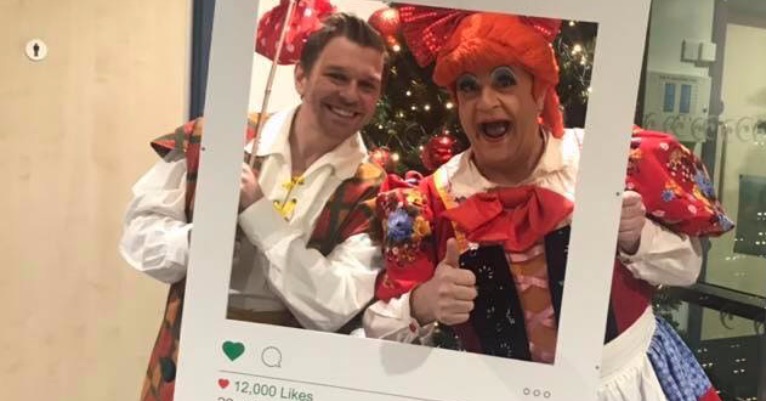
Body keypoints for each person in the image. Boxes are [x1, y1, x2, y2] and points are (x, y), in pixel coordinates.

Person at [362, 6, 734, 401]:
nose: (486, 102)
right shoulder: (429, 201)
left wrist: (636, 236)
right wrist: (423, 303)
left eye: (504, 81)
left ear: (538, 91)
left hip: (628, 385)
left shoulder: (606, 160)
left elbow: (687, 268)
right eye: (468, 86)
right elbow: (375, 332)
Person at [119, 13, 388, 401]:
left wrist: (259, 213)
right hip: (186, 356)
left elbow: (333, 306)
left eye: (367, 85)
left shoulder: (374, 191)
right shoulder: (216, 137)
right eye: (336, 76)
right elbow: (138, 235)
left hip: (287, 377)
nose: (350, 95)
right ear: (301, 77)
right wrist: (203, 238)